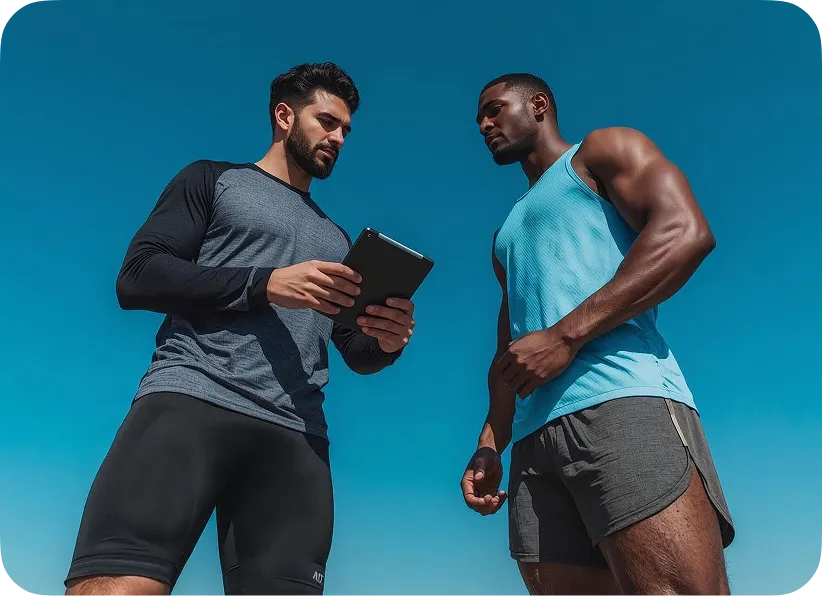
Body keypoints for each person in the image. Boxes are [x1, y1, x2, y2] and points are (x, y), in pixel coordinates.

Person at [64, 62, 417, 596]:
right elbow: (137, 277)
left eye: (345, 129)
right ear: (283, 116)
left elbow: (354, 350)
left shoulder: (338, 240)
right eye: (327, 121)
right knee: (118, 586)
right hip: (191, 400)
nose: (338, 137)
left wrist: (386, 341)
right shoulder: (212, 179)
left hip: (296, 437)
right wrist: (266, 283)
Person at [460, 73, 735, 596]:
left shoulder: (600, 151)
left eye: (494, 111)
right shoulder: (507, 232)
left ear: (538, 105)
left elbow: (685, 233)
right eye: (479, 119)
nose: (483, 125)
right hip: (534, 443)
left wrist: (565, 337)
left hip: (620, 400)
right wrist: (490, 440)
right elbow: (509, 347)